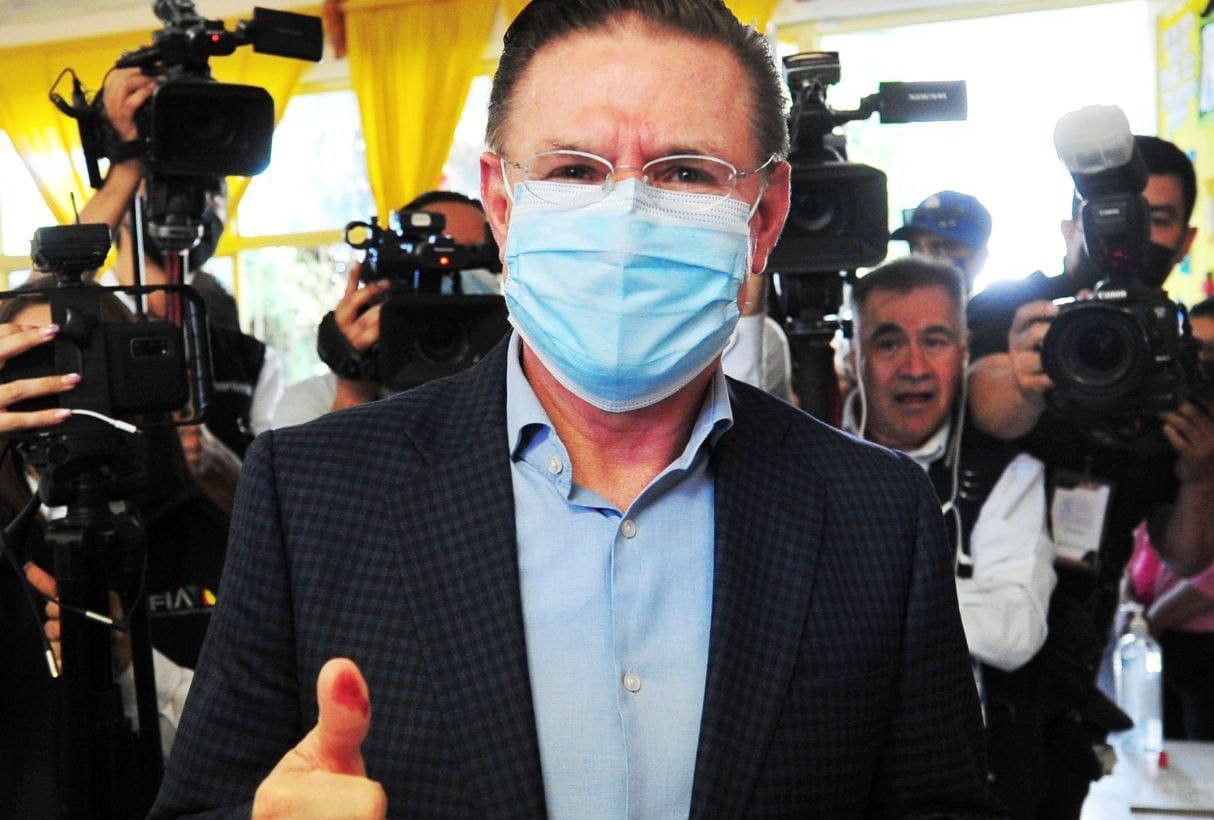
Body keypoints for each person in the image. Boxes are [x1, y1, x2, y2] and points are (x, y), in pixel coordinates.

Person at [151, 3, 1003, 818]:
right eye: (572, 170)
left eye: (685, 172)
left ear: (766, 214)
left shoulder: (876, 513)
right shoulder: (312, 494)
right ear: (501, 201)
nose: (626, 216)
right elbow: (204, 802)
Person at [965, 134, 1214, 817]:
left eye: (1155, 218)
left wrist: (1200, 475)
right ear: (1076, 222)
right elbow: (983, 403)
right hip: (976, 634)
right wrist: (1026, 380)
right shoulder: (1018, 310)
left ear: (1184, 238)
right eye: (1114, 214)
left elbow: (1185, 553)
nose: (1130, 235)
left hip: (1078, 647)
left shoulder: (1182, 355)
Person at [842, 256, 1055, 817]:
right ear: (854, 354)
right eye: (889, 343)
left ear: (964, 353)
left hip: (955, 785)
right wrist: (947, 605)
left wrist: (852, 602)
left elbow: (1017, 630)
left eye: (934, 341)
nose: (913, 367)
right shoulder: (801, 456)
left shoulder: (1009, 472)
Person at [75, 67, 284, 514]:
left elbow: (281, 504)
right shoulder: (78, 331)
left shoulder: (252, 360)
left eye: (213, 189)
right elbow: (47, 287)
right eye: (170, 183)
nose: (197, 204)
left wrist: (214, 464)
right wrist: (127, 162)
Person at [1117, 295, 1214, 741]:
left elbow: (1201, 568)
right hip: (1155, 638)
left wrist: (1151, 619)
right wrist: (1127, 601)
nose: (1202, 372)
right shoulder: (1159, 434)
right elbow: (1137, 535)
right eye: (1192, 355)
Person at [890, 190, 992, 293]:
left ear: (981, 256)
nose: (923, 258)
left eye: (941, 247)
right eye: (916, 246)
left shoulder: (996, 301)